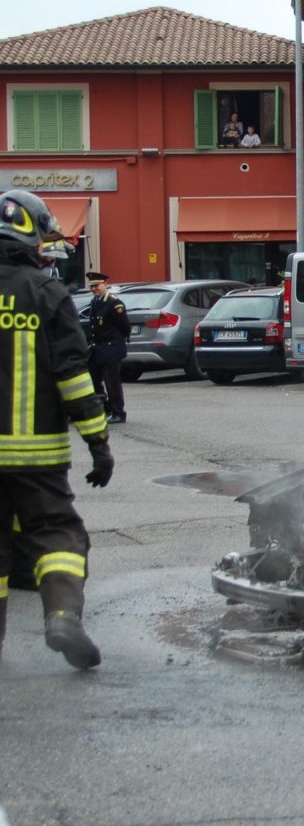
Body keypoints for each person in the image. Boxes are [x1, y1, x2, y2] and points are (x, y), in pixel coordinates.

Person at [0, 189, 114, 669]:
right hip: (36, 457)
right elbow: (72, 376)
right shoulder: (48, 295)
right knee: (58, 535)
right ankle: (63, 617)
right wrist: (98, 443)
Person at [87, 271, 130, 424]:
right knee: (93, 380)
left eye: (96, 286)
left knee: (112, 382)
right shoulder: (95, 302)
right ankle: (105, 409)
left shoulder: (114, 303)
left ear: (105, 285)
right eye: (92, 286)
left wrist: (118, 342)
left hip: (111, 348)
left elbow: (125, 326)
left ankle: (118, 412)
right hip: (97, 349)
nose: (94, 289)